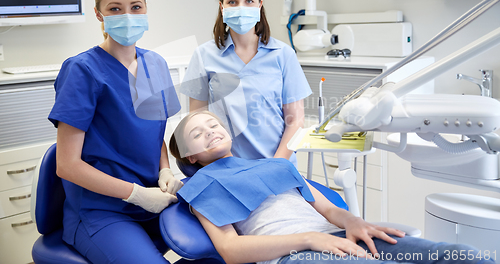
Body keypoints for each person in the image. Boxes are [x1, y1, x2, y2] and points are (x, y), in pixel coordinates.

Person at [169, 111, 496, 264]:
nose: (210, 130)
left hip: (338, 235)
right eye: (198, 133)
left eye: (213, 124)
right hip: (293, 253)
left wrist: (354, 222)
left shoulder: (275, 165)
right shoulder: (202, 187)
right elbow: (230, 250)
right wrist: (311, 239)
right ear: (189, 155)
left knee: (457, 256)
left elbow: (325, 208)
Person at [49, 0, 183, 264]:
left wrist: (165, 171)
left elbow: (154, 133)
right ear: (99, 15)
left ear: (146, 9)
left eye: (136, 7)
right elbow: (67, 165)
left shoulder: (156, 64)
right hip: (102, 212)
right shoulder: (82, 71)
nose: (128, 16)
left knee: (226, 244)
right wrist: (136, 194)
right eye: (115, 9)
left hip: (154, 201)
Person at [180, 0, 312, 167]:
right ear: (222, 7)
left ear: (259, 5)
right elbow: (197, 122)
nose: (241, 7)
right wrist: (224, 167)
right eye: (232, 2)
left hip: (277, 164)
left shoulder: (283, 55)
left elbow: (295, 121)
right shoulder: (203, 56)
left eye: (249, 1)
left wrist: (276, 166)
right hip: (226, 167)